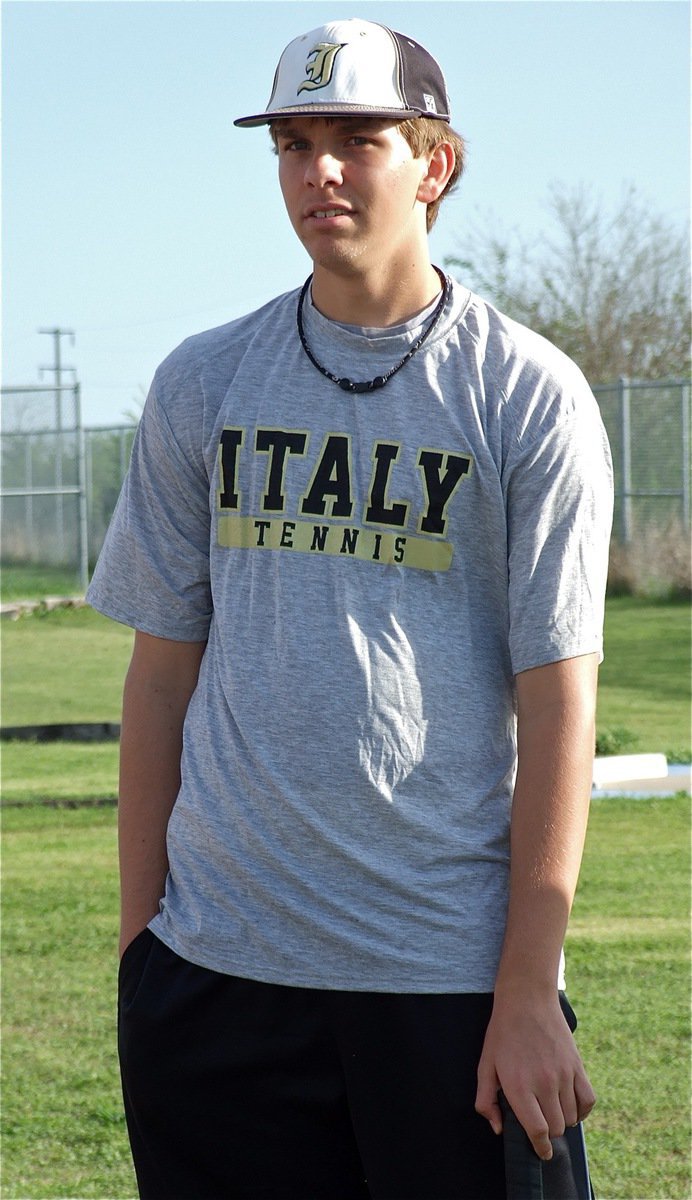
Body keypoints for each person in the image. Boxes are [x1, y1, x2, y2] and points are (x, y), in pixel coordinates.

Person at [87, 17, 613, 1199]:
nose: (318, 169)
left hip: (445, 981)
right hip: (217, 980)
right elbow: (160, 676)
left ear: (432, 163)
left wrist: (528, 988)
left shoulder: (525, 395)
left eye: (355, 139)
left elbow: (558, 702)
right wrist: (141, 958)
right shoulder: (203, 382)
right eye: (293, 141)